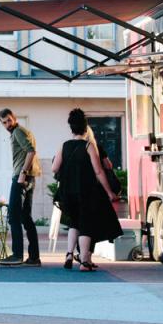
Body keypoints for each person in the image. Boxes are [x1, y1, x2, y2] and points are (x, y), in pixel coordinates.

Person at [52, 108, 123, 272]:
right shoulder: (89, 146)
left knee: (74, 223)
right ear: (85, 127)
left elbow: (55, 168)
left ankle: (69, 254)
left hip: (67, 192)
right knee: (86, 225)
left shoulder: (64, 146)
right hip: (85, 191)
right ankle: (84, 262)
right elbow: (99, 171)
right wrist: (109, 192)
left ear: (71, 127)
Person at [0, 107, 41, 266]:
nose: (7, 124)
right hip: (30, 177)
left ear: (14, 118)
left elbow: (31, 151)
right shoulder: (22, 131)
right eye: (4, 122)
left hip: (22, 177)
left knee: (13, 216)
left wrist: (22, 173)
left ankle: (17, 255)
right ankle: (34, 257)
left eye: (9, 120)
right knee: (25, 217)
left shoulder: (18, 132)